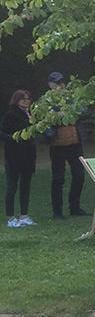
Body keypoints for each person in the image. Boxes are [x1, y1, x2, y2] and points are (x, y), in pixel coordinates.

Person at [46, 72, 89, 219]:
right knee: (58, 179)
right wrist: (65, 114)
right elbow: (45, 118)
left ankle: (74, 207)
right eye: (57, 83)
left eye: (62, 82)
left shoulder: (72, 97)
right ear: (50, 85)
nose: (61, 85)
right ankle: (57, 211)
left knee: (79, 176)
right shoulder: (45, 100)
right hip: (57, 145)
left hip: (75, 144)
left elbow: (85, 112)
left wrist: (66, 113)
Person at [1, 90, 37, 227]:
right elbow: (2, 132)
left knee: (25, 186)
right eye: (23, 99)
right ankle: (11, 218)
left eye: (28, 99)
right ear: (16, 100)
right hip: (14, 155)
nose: (26, 101)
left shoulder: (31, 114)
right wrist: (13, 139)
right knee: (12, 186)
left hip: (28, 155)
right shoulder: (10, 114)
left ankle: (24, 215)